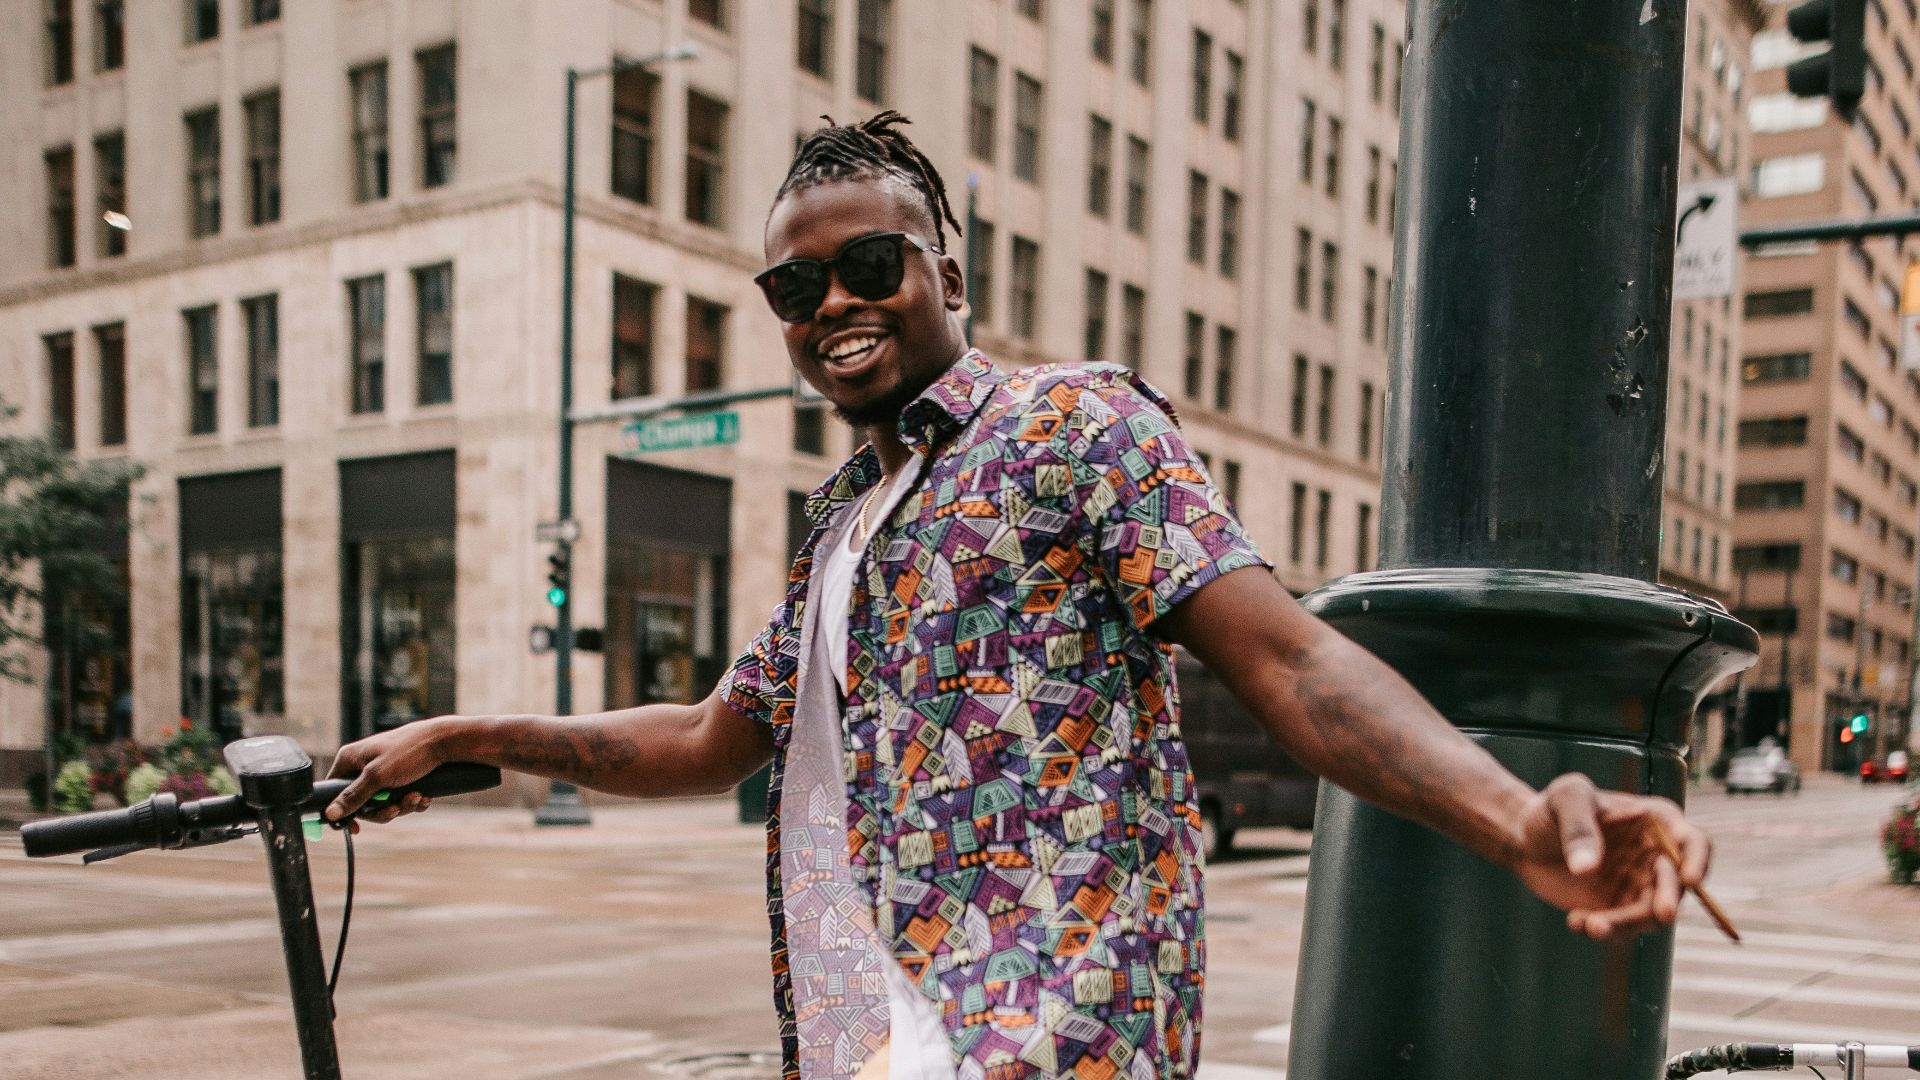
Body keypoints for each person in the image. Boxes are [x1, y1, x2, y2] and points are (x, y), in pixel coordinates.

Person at [325, 113, 1713, 1080]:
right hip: (877, 1031)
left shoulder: (1075, 427)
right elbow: (709, 737)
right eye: (793, 284)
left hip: (1058, 1040)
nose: (831, 303)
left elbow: (1288, 658)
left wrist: (1513, 813)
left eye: (871, 264)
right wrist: (471, 736)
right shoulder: (840, 527)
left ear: (951, 274)